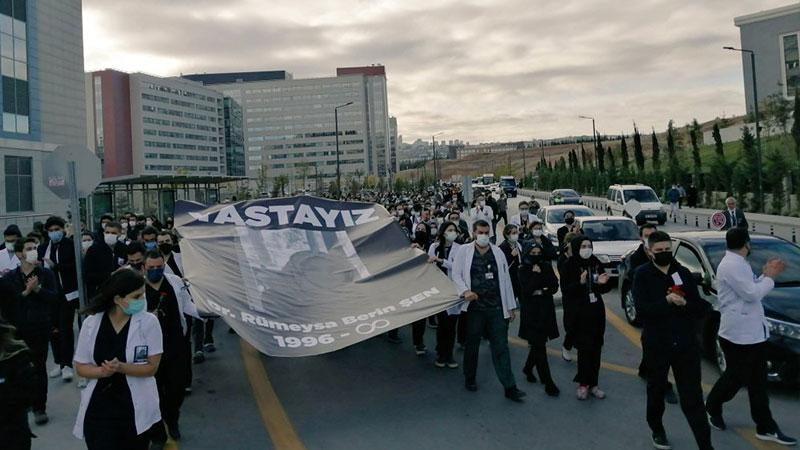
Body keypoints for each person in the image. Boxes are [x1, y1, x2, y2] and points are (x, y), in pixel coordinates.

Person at [705, 228, 796, 446]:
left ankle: (765, 427)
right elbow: (752, 294)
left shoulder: (739, 263)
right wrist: (771, 277)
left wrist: (764, 275)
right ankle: (712, 405)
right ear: (746, 243)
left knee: (758, 383)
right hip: (738, 335)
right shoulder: (731, 265)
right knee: (735, 378)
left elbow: (751, 287)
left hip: (753, 334)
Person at [633, 231, 713, 450]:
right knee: (656, 390)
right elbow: (642, 310)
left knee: (692, 398)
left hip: (685, 345)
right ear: (649, 252)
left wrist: (685, 304)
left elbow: (700, 307)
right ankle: (657, 429)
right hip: (657, 345)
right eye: (659, 251)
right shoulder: (642, 275)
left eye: (667, 250)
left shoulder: (683, 273)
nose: (664, 254)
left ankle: (705, 445)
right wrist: (667, 301)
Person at [73, 268, 163, 449]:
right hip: (100, 409)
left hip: (132, 408)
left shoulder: (148, 323)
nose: (142, 301)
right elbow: (80, 366)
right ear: (117, 299)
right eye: (136, 297)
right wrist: (101, 371)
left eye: (143, 295)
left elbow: (152, 367)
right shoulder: (92, 323)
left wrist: (121, 367)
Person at [450, 220, 526, 402]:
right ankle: (470, 378)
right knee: (472, 344)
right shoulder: (464, 251)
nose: (484, 235)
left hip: (496, 308)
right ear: (474, 232)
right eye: (480, 232)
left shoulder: (498, 252)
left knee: (501, 347)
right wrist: (465, 291)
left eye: (486, 232)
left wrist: (510, 305)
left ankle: (510, 387)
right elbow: (456, 274)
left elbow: (506, 279)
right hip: (475, 309)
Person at [141, 251, 200, 443]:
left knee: (177, 387)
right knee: (153, 392)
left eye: (159, 267)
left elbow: (188, 306)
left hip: (176, 345)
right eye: (151, 268)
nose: (156, 271)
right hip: (150, 351)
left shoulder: (175, 282)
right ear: (144, 268)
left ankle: (172, 418)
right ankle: (158, 434)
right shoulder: (136, 288)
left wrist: (208, 313)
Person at [0, 238, 58, 426]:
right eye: (29, 248)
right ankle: (23, 402)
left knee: (39, 367)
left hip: (39, 327)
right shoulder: (9, 278)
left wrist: (38, 289)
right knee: (19, 368)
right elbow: (9, 304)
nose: (34, 251)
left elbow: (53, 298)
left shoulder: (45, 274)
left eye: (35, 248)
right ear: (19, 254)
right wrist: (27, 291)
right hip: (17, 331)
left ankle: (39, 407)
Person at [629, 224, 678, 404]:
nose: (651, 236)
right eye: (648, 235)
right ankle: (664, 387)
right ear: (642, 239)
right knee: (653, 347)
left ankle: (644, 368)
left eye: (653, 234)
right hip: (651, 309)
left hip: (668, 316)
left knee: (653, 351)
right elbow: (634, 276)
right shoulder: (638, 259)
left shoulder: (671, 263)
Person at [561, 235, 611, 400]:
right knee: (584, 351)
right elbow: (567, 290)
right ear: (576, 247)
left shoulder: (596, 262)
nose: (586, 249)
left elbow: (604, 288)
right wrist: (580, 283)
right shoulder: (570, 265)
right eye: (583, 246)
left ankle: (594, 384)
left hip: (596, 312)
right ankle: (583, 384)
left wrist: (604, 284)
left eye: (589, 245)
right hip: (579, 313)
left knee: (596, 350)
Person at [518, 243, 560, 397]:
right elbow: (527, 290)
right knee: (539, 346)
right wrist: (536, 277)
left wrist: (541, 290)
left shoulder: (547, 267)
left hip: (546, 311)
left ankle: (528, 368)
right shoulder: (523, 269)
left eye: (538, 252)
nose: (536, 255)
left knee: (538, 343)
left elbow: (554, 286)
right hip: (531, 313)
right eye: (533, 252)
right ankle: (548, 382)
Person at [39, 216, 79, 382]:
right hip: (50, 293)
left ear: (63, 229)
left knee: (65, 328)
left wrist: (57, 267)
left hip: (67, 294)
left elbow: (76, 266)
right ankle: (59, 362)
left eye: (57, 230)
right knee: (53, 329)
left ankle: (67, 364)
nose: (54, 233)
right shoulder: (43, 248)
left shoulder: (70, 245)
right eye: (51, 230)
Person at [427, 221, 462, 368]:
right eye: (449, 230)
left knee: (452, 324)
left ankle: (449, 354)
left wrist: (442, 261)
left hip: (454, 291)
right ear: (443, 232)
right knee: (443, 324)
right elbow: (428, 266)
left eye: (454, 230)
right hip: (439, 291)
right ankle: (441, 354)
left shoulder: (460, 249)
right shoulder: (434, 247)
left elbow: (458, 268)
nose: (452, 232)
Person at [84, 222, 127, 300]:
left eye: (113, 233)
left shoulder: (124, 249)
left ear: (120, 234)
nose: (110, 235)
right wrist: (111, 274)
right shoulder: (94, 250)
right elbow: (88, 275)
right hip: (100, 292)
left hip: (120, 292)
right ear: (104, 233)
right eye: (107, 232)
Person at [558, 231, 581, 362]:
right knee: (572, 324)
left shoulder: (580, 257)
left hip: (581, 294)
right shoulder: (563, 259)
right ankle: (567, 346)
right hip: (569, 295)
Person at [498, 224, 522, 300]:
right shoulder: (502, 247)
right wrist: (511, 256)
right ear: (507, 235)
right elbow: (502, 266)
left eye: (517, 232)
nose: (516, 235)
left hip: (521, 277)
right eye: (513, 233)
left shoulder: (519, 244)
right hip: (511, 279)